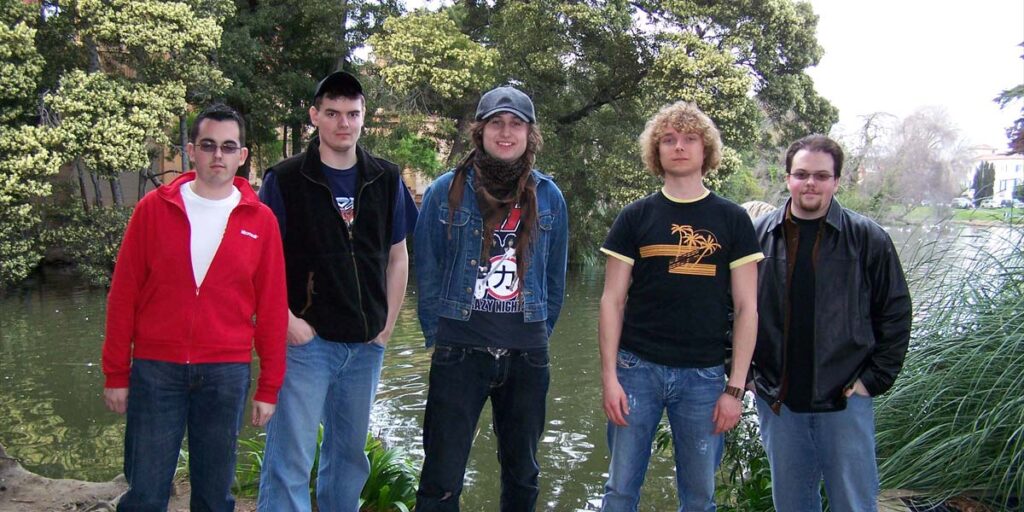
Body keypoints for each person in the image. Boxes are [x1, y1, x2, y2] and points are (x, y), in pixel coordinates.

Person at [101, 103, 287, 511]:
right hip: (156, 370)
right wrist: (116, 372)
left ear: (242, 155)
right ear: (191, 150)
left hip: (225, 374)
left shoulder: (261, 221)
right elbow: (123, 296)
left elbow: (273, 309)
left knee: (214, 496)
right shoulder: (153, 209)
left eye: (228, 146)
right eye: (208, 145)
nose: (218, 155)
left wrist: (269, 386)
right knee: (146, 492)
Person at [255, 71, 417, 512]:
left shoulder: (385, 178)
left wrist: (386, 327)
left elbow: (398, 256)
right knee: (290, 457)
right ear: (314, 116)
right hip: (307, 344)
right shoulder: (285, 180)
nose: (343, 123)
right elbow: (261, 263)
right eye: (332, 113)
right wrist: (288, 322)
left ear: (364, 117)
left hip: (365, 346)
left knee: (348, 458)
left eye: (352, 113)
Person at [598, 101, 762, 511]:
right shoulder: (635, 216)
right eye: (669, 139)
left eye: (690, 139)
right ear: (656, 151)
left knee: (700, 496)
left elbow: (748, 308)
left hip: (704, 377)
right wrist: (610, 377)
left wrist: (735, 388)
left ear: (706, 150)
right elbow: (612, 300)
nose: (679, 147)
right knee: (620, 489)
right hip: (636, 370)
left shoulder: (733, 219)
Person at [413, 85, 569, 511]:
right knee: (441, 474)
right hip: (460, 351)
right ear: (480, 131)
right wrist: (441, 335)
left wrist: (538, 334)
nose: (506, 132)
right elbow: (427, 267)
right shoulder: (445, 191)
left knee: (523, 474)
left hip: (526, 357)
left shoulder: (549, 196)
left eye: (516, 124)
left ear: (529, 134)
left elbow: (554, 278)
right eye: (496, 123)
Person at [751, 134, 912, 512]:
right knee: (792, 504)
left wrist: (873, 379)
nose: (811, 183)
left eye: (821, 176)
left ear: (836, 181)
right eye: (802, 174)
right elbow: (730, 308)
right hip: (779, 400)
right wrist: (744, 374)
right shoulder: (758, 236)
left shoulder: (868, 238)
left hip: (845, 398)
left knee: (853, 502)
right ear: (788, 178)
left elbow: (895, 312)